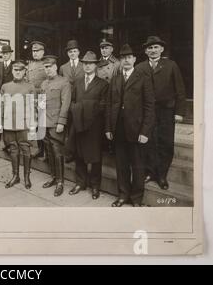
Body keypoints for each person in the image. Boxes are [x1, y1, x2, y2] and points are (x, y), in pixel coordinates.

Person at [105, 44, 155, 207]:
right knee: (122, 165)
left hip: (137, 130)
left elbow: (149, 107)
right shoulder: (116, 79)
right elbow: (109, 104)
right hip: (118, 129)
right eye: (123, 58)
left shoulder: (143, 78)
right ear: (119, 61)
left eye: (129, 57)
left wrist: (145, 131)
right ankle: (123, 195)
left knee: (138, 166)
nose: (126, 60)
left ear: (134, 59)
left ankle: (136, 198)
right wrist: (108, 128)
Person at [136, 36, 186, 190]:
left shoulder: (171, 65)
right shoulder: (140, 67)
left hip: (166, 111)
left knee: (165, 142)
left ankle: (162, 175)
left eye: (155, 47)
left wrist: (179, 112)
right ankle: (150, 172)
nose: (152, 50)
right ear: (145, 51)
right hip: (147, 111)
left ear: (162, 49)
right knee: (148, 141)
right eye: (149, 48)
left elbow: (180, 90)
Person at [68, 51, 108, 200]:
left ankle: (95, 185)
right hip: (79, 124)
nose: (87, 66)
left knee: (95, 157)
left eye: (90, 63)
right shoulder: (77, 82)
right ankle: (80, 182)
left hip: (94, 126)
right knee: (79, 154)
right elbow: (72, 102)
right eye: (85, 63)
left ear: (96, 65)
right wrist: (77, 110)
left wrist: (83, 107)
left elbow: (103, 106)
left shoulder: (103, 84)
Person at [0, 60, 36, 189]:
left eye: (20, 70)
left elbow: (33, 107)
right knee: (13, 150)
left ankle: (27, 177)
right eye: (15, 70)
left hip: (24, 124)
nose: (18, 72)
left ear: (25, 71)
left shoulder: (30, 87)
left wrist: (33, 124)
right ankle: (15, 176)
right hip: (9, 124)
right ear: (12, 71)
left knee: (26, 150)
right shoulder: (5, 86)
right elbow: (1, 105)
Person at [39, 55, 72, 197]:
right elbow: (40, 104)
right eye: (45, 67)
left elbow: (66, 104)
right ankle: (53, 177)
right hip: (44, 123)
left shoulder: (64, 82)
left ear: (55, 67)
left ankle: (60, 182)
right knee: (49, 152)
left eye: (50, 67)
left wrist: (61, 122)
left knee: (58, 153)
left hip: (56, 123)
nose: (47, 70)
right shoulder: (44, 84)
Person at [27, 40, 48, 159]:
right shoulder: (30, 65)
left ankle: (46, 151)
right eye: (33, 51)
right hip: (32, 98)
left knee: (43, 124)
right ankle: (40, 149)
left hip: (42, 98)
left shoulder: (46, 64)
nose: (35, 53)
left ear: (43, 52)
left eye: (37, 51)